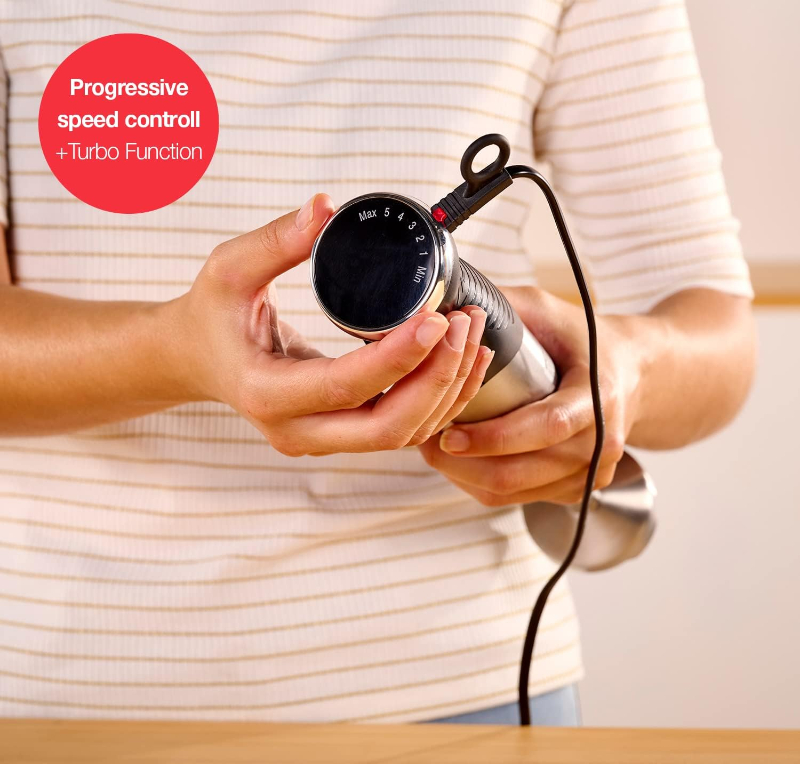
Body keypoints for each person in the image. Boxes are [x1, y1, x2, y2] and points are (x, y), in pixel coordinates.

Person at [0, 0, 755, 725]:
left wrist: (625, 370)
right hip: (68, 694)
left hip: (462, 681)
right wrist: (178, 355)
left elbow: (718, 340)